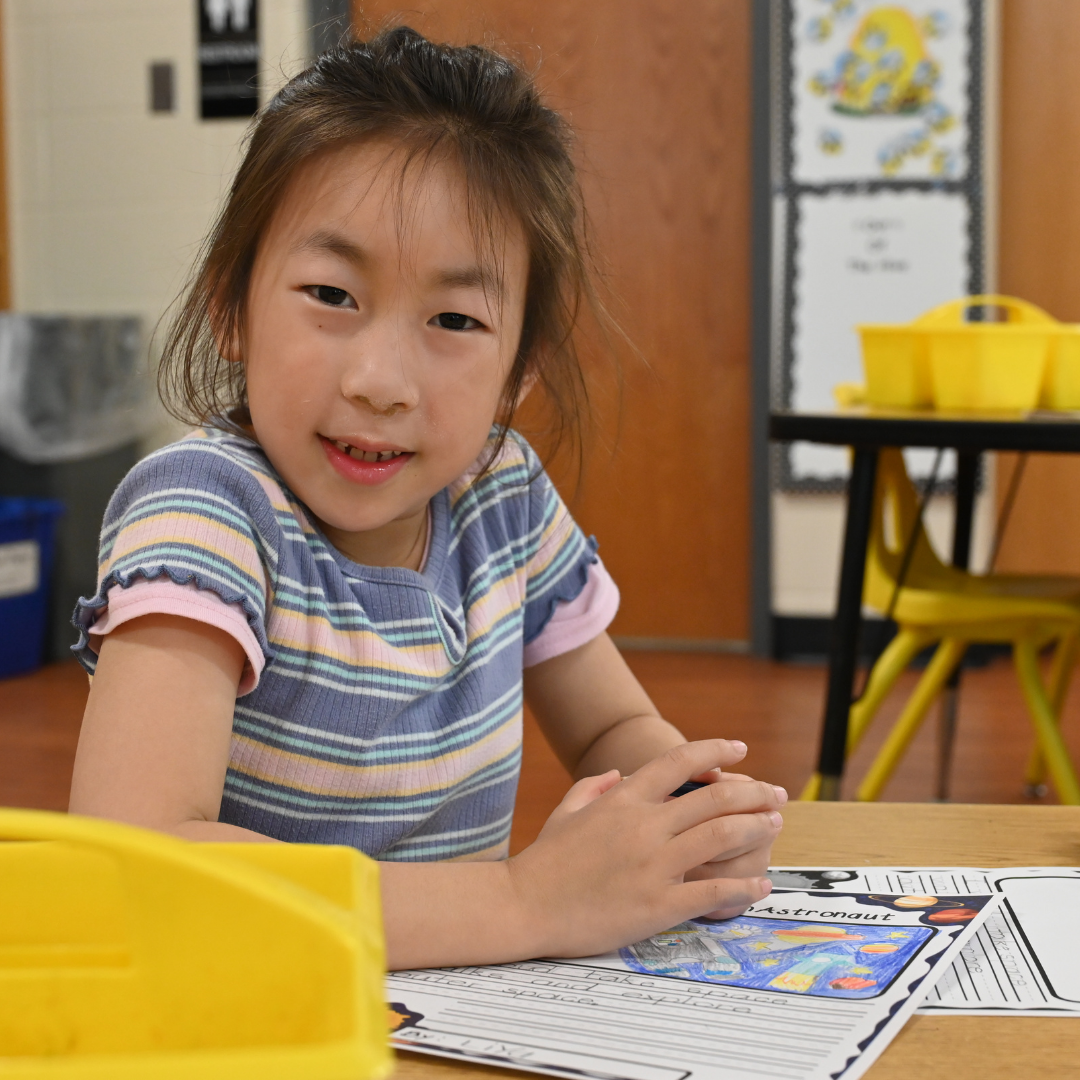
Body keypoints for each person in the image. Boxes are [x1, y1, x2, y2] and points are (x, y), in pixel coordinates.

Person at [67, 26, 785, 970]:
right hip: (248, 1017)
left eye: (454, 319)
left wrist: (684, 819)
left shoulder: (501, 495)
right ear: (230, 307)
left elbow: (613, 727)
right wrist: (524, 902)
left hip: (448, 1020)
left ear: (517, 369)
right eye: (332, 293)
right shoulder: (203, 513)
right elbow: (144, 872)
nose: (381, 380)